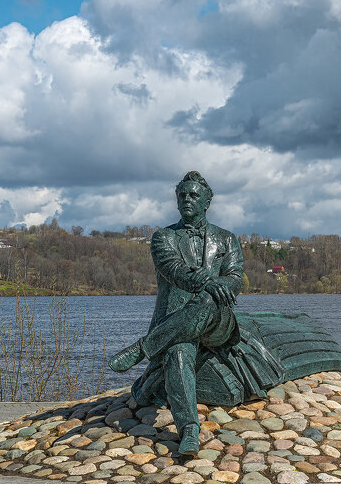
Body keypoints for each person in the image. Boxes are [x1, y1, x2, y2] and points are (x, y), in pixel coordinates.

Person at [109, 171, 283, 454]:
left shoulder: (227, 239)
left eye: (193, 195)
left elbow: (235, 278)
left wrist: (217, 285)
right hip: (176, 322)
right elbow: (175, 271)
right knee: (178, 352)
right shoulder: (162, 238)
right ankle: (189, 429)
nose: (186, 199)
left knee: (206, 300)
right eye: (182, 195)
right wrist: (211, 282)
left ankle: (144, 347)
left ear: (206, 202)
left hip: (218, 320)